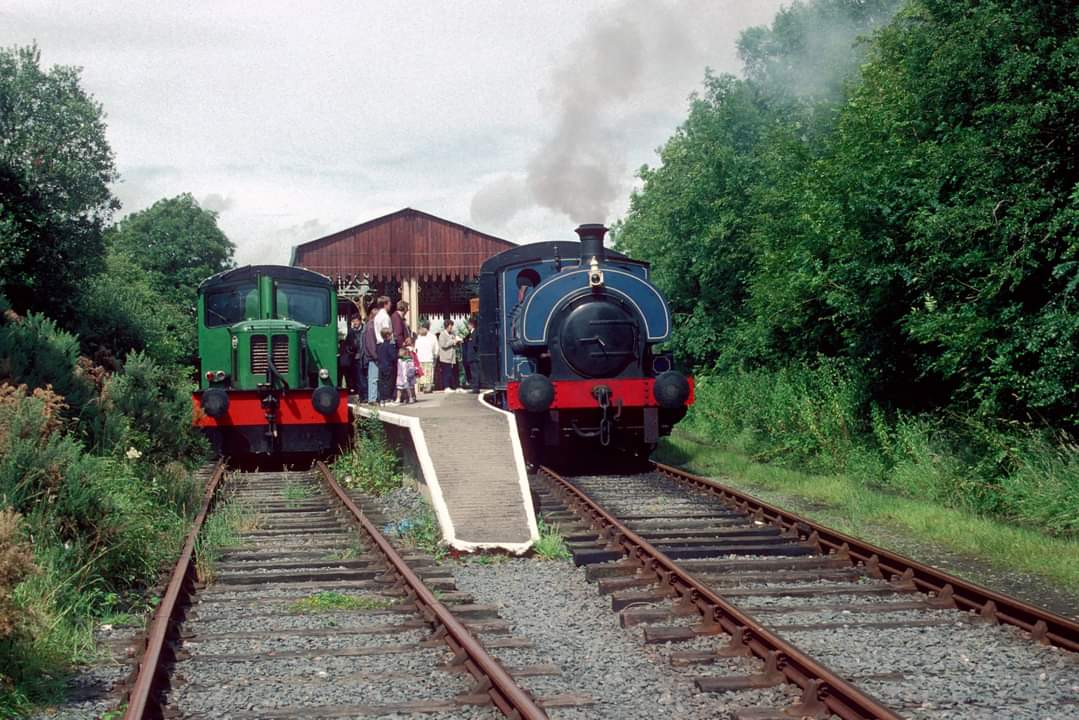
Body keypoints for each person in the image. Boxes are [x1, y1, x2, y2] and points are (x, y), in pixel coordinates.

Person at [437, 318, 461, 392]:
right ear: (447, 326)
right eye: (450, 326)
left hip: (452, 357)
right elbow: (443, 345)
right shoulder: (442, 335)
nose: (451, 328)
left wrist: (458, 341)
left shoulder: (452, 334)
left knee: (453, 372)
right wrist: (453, 341)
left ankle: (455, 386)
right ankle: (446, 387)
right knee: (446, 372)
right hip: (445, 357)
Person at [362, 306, 379, 404]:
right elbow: (370, 344)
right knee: (373, 378)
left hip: (371, 356)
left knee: (374, 378)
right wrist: (376, 356)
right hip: (373, 357)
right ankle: (372, 399)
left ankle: (373, 397)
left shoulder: (370, 326)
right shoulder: (371, 327)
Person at [377, 326, 398, 405]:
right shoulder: (390, 345)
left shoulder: (380, 346)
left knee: (383, 383)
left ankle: (382, 399)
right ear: (388, 335)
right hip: (389, 366)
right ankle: (388, 399)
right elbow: (393, 356)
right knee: (389, 383)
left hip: (382, 366)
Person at [343, 315, 364, 395]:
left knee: (361, 374)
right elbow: (347, 343)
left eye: (356, 321)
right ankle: (355, 389)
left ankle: (361, 391)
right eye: (353, 321)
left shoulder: (364, 330)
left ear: (360, 321)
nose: (355, 323)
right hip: (353, 356)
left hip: (362, 354)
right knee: (354, 374)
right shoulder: (351, 331)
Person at [414, 322, 436, 393]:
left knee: (422, 373)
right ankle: (428, 387)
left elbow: (415, 349)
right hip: (428, 358)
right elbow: (433, 348)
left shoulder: (417, 340)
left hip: (421, 358)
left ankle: (423, 386)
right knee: (428, 373)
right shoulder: (429, 340)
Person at [462, 317, 480, 393]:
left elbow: (476, 345)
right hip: (471, 357)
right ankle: (474, 387)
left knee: (475, 372)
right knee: (473, 372)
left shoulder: (475, 333)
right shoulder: (471, 334)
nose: (467, 326)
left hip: (474, 356)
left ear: (472, 325)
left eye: (468, 325)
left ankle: (476, 388)